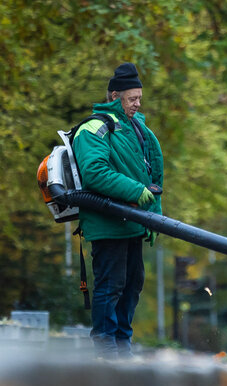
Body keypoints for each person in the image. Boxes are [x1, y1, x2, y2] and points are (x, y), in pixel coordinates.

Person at [72, 62, 164, 359]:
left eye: (139, 97)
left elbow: (150, 176)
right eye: (132, 98)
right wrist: (136, 193)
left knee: (132, 285)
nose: (138, 104)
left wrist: (154, 217)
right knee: (111, 286)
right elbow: (95, 173)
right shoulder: (94, 128)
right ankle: (106, 349)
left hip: (133, 223)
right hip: (108, 223)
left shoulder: (135, 128)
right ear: (114, 96)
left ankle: (123, 347)